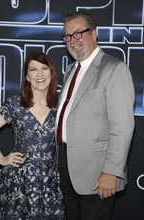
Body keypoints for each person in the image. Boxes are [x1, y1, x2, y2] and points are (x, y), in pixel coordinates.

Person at [56, 11, 135, 220]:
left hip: (97, 173)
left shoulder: (114, 69)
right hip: (67, 167)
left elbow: (123, 127)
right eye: (67, 36)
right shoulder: (71, 70)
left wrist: (111, 171)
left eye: (78, 33)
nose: (72, 41)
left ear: (95, 33)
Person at [0, 52, 65, 219]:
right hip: (18, 183)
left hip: (49, 182)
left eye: (44, 68)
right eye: (33, 69)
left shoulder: (61, 106)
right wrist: (1, 159)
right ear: (27, 77)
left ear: (51, 74)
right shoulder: (15, 104)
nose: (39, 74)